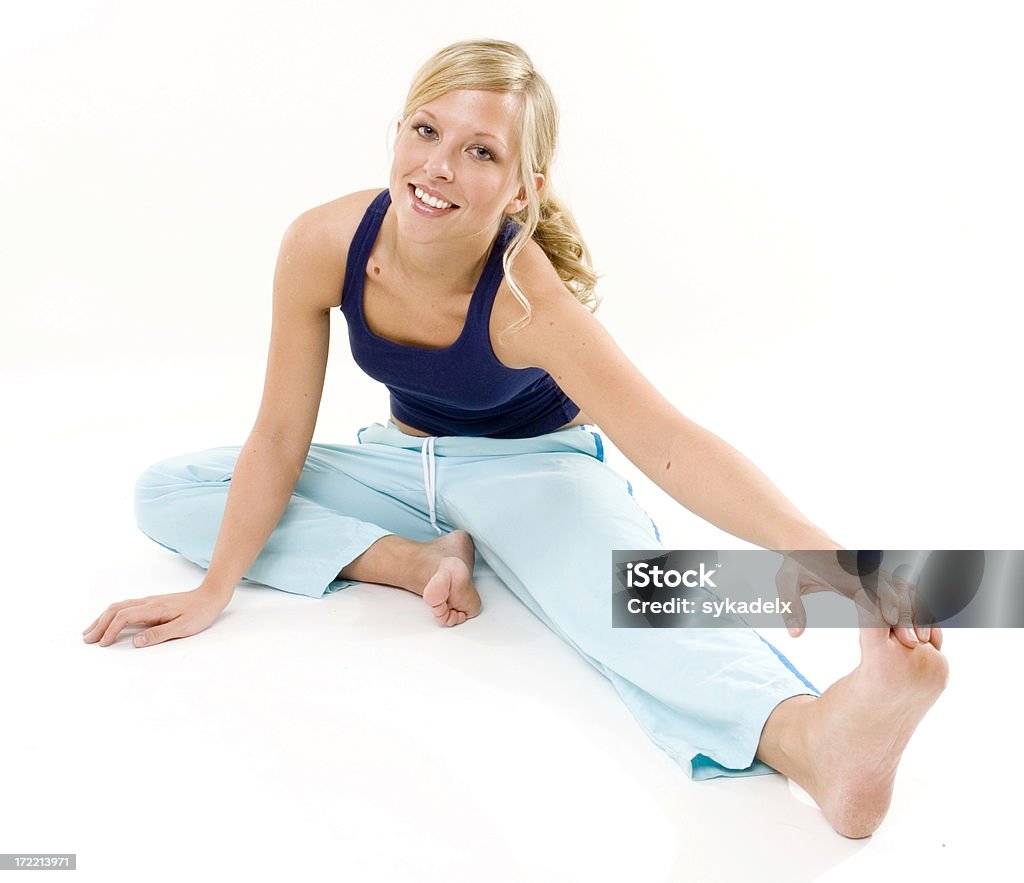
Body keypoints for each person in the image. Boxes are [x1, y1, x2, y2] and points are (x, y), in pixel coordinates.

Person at [81, 39, 948, 838]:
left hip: (534, 474)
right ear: (398, 130)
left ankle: (813, 737)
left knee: (620, 602)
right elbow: (276, 437)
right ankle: (411, 559)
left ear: (522, 188)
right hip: (395, 466)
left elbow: (672, 442)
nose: (438, 168)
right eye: (427, 130)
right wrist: (215, 591)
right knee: (169, 490)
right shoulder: (324, 241)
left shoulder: (528, 301)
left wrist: (842, 565)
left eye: (481, 151)